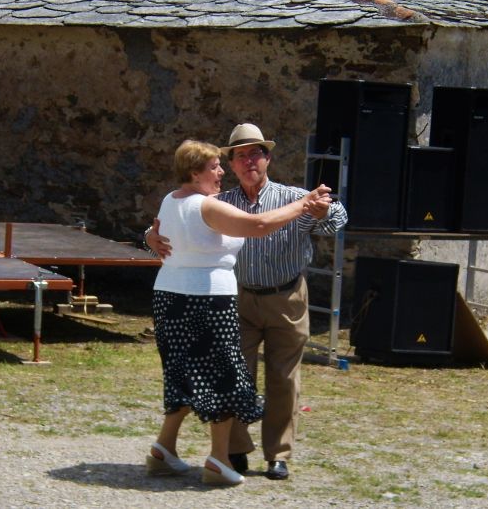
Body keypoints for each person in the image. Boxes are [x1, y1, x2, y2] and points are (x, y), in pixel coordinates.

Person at [146, 123, 348, 481]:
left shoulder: (290, 195)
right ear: (232, 164)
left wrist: (320, 212)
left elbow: (337, 217)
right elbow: (177, 222)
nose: (248, 161)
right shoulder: (218, 200)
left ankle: (277, 455)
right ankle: (234, 452)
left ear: (268, 159)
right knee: (235, 375)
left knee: (283, 378)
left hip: (285, 296)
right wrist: (149, 236)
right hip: (233, 299)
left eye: (256, 153)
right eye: (240, 155)